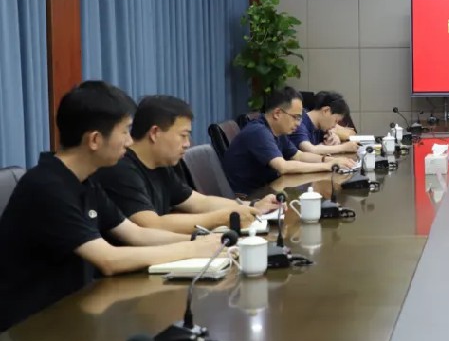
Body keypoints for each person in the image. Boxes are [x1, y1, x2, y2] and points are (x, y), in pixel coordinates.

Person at [0, 81, 223, 332]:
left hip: (78, 311)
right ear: (95, 139)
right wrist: (191, 249)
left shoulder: (85, 180)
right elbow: (108, 259)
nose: (129, 142)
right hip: (32, 328)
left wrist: (203, 241)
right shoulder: (48, 186)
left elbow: (135, 233)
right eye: (125, 131)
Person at [94, 95, 280, 233]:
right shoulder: (120, 168)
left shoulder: (161, 163)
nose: (188, 144)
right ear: (155, 133)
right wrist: (224, 218)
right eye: (183, 135)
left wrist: (252, 206)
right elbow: (151, 225)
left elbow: (199, 202)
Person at [222, 86, 353, 195]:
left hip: (268, 191)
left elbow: (299, 156)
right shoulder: (258, 132)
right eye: (296, 117)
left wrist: (329, 160)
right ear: (277, 113)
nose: (298, 123)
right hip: (248, 199)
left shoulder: (278, 131)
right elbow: (283, 167)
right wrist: (328, 166)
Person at [288, 90, 359, 156]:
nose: (335, 125)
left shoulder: (322, 125)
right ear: (326, 111)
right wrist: (343, 147)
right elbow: (310, 149)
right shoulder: (299, 121)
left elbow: (351, 132)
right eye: (336, 121)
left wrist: (335, 135)